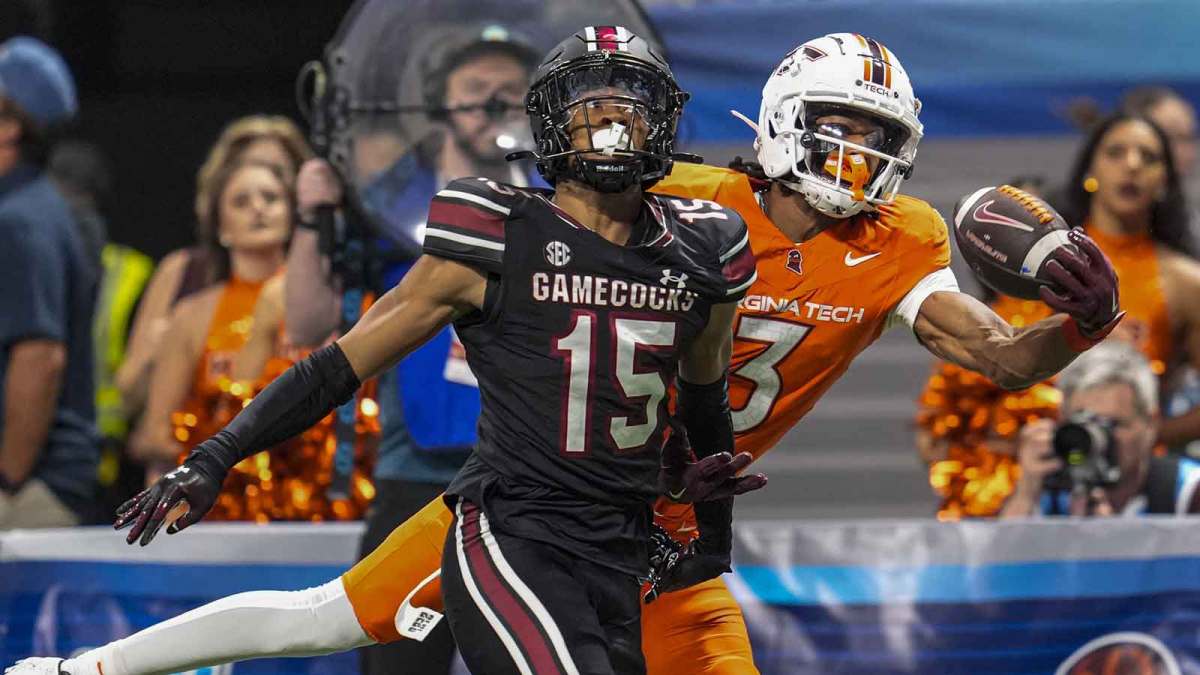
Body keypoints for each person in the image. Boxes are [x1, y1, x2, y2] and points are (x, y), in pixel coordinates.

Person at [6, 32, 1121, 675]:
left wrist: (1082, 317)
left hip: (674, 544)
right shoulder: (671, 194)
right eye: (845, 125)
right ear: (782, 119)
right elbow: (506, 260)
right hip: (542, 511)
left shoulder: (904, 240)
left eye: (883, 138)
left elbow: (1007, 363)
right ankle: (79, 672)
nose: (863, 153)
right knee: (329, 616)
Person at [287, 24, 538, 674]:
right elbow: (306, 322)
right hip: (415, 480)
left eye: (509, 93)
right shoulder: (388, 202)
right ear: (439, 102)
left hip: (533, 484)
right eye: (474, 89)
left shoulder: (563, 203)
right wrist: (314, 217)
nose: (490, 104)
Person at [919, 111, 1200, 517]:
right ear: (1090, 169)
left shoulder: (1185, 282)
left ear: (1165, 181)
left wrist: (1133, 435)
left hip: (1127, 482)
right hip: (1017, 476)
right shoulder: (1033, 255)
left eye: (1149, 157)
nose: (1132, 165)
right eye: (1116, 152)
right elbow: (977, 369)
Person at [115, 116, 313, 417]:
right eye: (242, 195)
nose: (258, 203)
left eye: (276, 176)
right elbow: (128, 396)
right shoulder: (183, 271)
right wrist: (164, 351)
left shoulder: (319, 285)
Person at [0, 37, 100, 529]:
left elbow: (40, 358)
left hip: (31, 492)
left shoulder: (21, 220)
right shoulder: (29, 208)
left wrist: (7, 480)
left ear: (9, 126)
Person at [1000, 341, 1200, 517]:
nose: (1098, 438)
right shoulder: (1049, 490)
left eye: (1113, 424)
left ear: (1151, 424)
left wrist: (1106, 539)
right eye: (1083, 423)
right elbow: (1003, 557)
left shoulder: (1187, 491)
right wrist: (1025, 494)